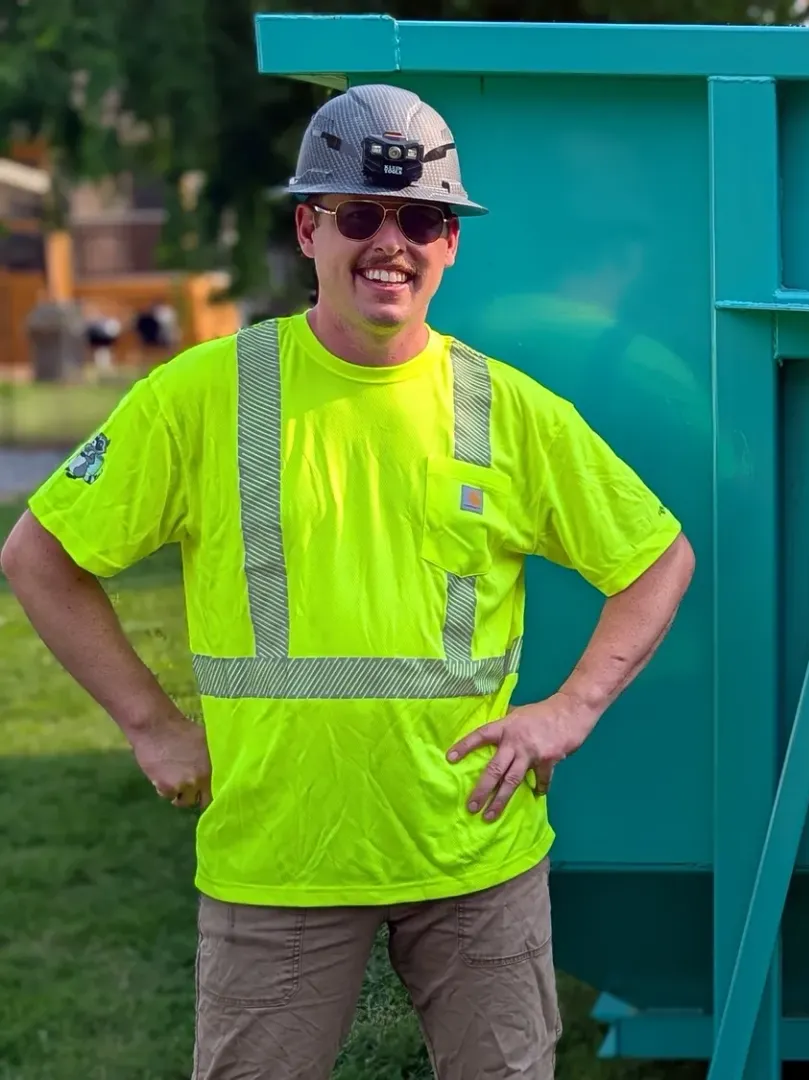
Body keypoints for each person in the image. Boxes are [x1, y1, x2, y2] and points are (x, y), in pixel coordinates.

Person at [0, 84, 694, 1079]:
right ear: (308, 228)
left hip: (473, 859)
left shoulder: (509, 409)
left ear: (450, 240)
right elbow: (41, 557)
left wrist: (572, 708)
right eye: (359, 215)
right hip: (277, 859)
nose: (391, 243)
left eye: (420, 218)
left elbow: (657, 558)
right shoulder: (204, 394)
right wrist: (151, 725)